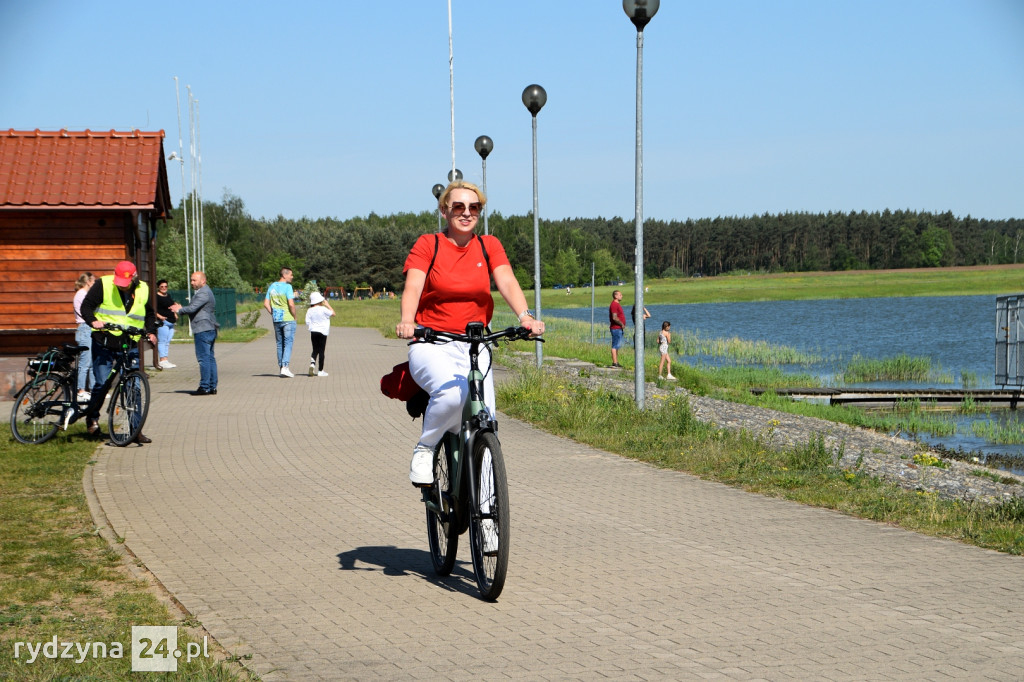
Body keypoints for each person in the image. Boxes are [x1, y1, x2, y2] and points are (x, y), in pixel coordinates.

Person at [396, 180, 544, 492]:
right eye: (458, 207)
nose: (466, 213)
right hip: (432, 342)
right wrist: (408, 320)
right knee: (451, 396)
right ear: (444, 210)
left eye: (473, 207)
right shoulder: (429, 244)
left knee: (486, 423)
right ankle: (426, 448)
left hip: (476, 344)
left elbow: (506, 279)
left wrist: (525, 317)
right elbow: (413, 286)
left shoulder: (489, 245)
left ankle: (488, 522)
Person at [75, 260, 158, 442]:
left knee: (133, 387)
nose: (122, 286)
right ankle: (92, 418)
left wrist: (151, 331)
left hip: (129, 342)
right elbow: (86, 307)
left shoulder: (143, 289)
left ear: (134, 277)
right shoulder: (103, 284)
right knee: (102, 383)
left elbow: (149, 313)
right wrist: (93, 321)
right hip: (104, 341)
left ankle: (135, 430)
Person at [170, 272, 218, 395]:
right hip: (208, 328)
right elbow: (193, 307)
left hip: (203, 329)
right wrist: (182, 308)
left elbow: (192, 308)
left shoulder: (203, 293)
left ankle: (205, 386)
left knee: (204, 359)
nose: (192, 283)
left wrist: (179, 309)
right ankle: (211, 386)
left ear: (203, 281)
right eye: (191, 280)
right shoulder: (205, 292)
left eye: (194, 280)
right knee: (209, 358)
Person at [264, 267, 297, 377]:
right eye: (290, 275)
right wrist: (294, 316)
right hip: (287, 319)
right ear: (284, 275)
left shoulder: (272, 286)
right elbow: (291, 304)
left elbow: (266, 304)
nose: (292, 277)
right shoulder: (288, 287)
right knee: (288, 343)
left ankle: (281, 367)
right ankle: (285, 366)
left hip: (277, 319)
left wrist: (272, 313)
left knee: (279, 344)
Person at [72, 272, 95, 403]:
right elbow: (86, 312)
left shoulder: (84, 294)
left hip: (88, 328)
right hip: (84, 328)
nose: (94, 284)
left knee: (91, 362)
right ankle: (81, 391)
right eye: (93, 282)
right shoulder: (81, 294)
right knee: (85, 362)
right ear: (88, 282)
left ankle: (93, 389)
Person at [304, 291, 335, 376]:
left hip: (313, 331)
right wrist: (327, 305)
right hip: (323, 332)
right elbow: (333, 313)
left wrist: (312, 326)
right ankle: (320, 371)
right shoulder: (323, 309)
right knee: (321, 351)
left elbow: (307, 321)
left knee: (315, 350)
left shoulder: (309, 310)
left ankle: (312, 364)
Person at [154, 279, 177, 369]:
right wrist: (160, 317)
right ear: (158, 287)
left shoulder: (168, 295)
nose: (164, 288)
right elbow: (153, 309)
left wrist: (175, 313)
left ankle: (166, 359)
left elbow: (172, 305)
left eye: (165, 286)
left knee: (167, 341)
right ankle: (162, 360)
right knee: (162, 341)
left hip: (171, 321)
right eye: (162, 286)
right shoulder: (156, 297)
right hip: (163, 322)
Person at [609, 290, 625, 367]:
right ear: (615, 296)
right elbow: (614, 317)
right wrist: (621, 324)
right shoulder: (614, 305)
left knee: (617, 345)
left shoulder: (617, 304)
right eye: (620, 295)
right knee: (615, 345)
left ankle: (616, 361)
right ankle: (614, 363)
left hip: (618, 328)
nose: (621, 296)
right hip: (616, 328)